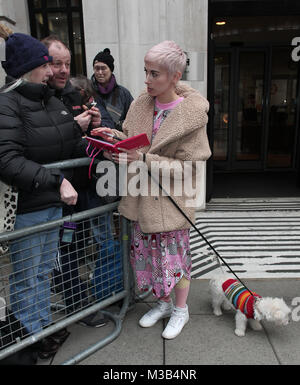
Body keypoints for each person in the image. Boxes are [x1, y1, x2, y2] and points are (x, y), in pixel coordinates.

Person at [91, 40, 212, 339]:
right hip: (141, 197)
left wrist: (144, 158)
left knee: (174, 260)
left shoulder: (191, 114)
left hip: (171, 202)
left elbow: (189, 168)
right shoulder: (141, 104)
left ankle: (180, 310)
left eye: (154, 73)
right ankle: (163, 303)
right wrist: (114, 138)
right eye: (145, 71)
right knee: (149, 257)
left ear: (174, 76)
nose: (146, 79)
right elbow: (134, 139)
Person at [0, 25, 87, 358]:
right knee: (26, 279)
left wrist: (98, 142)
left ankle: (40, 333)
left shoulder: (50, 100)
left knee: (41, 274)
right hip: (29, 208)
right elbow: (7, 160)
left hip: (52, 205)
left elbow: (68, 140)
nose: (52, 70)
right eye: (46, 64)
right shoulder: (7, 104)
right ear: (28, 67)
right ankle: (26, 343)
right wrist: (55, 181)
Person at [41, 36, 113, 327]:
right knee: (62, 253)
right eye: (56, 63)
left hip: (81, 193)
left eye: (67, 64)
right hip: (55, 195)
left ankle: (78, 301)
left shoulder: (73, 94)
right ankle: (72, 305)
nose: (62, 70)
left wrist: (97, 125)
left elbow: (94, 132)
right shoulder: (35, 98)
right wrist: (74, 127)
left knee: (77, 247)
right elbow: (43, 145)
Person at [91, 48, 133, 129]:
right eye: (97, 68)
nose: (100, 72)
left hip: (117, 139)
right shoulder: (88, 93)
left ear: (111, 69)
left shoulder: (123, 93)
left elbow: (134, 118)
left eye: (103, 68)